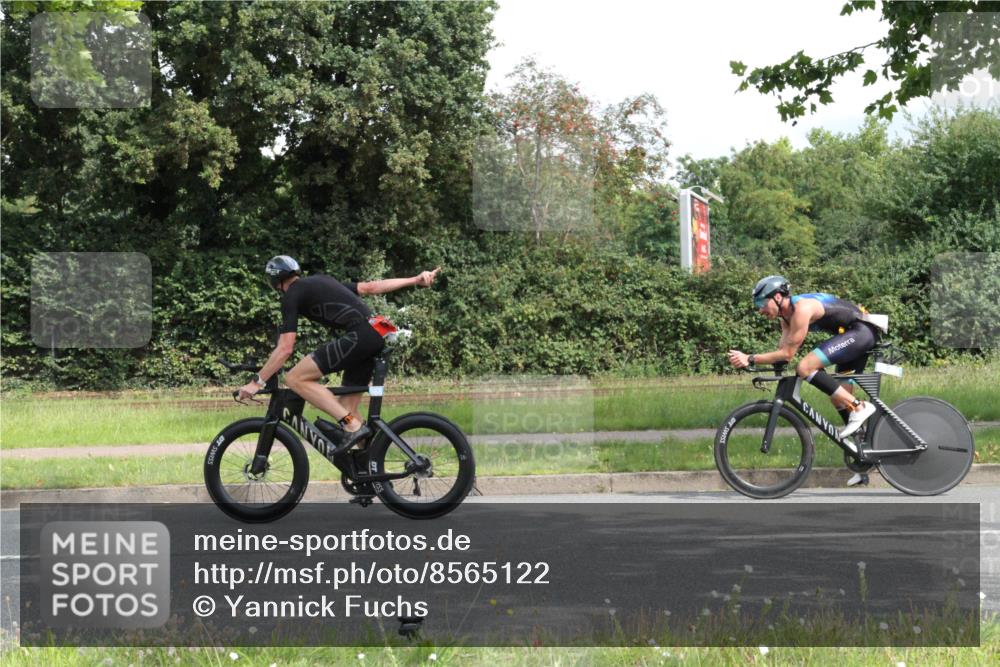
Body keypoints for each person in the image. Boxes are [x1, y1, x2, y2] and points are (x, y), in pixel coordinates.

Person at [237, 255, 440, 454]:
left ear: (275, 281)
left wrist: (256, 382)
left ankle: (352, 427)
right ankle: (370, 466)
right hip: (376, 332)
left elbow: (285, 348)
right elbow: (370, 287)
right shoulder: (322, 280)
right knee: (345, 407)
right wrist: (415, 279)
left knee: (295, 378)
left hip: (361, 336)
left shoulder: (291, 295)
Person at [727, 276, 882, 484]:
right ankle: (862, 460)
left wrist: (750, 358)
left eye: (761, 303)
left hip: (861, 331)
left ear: (778, 297)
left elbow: (788, 355)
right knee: (838, 397)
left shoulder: (801, 310)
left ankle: (860, 407)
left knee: (805, 367)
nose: (760, 310)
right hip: (855, 334)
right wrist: (767, 368)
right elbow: (781, 354)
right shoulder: (785, 319)